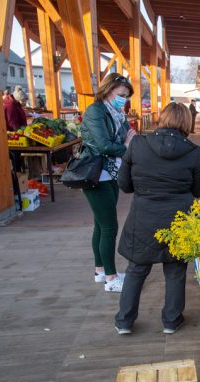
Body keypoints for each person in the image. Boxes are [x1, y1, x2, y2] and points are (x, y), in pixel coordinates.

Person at [114, 103, 200, 335]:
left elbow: (124, 184)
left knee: (136, 269)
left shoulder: (137, 144)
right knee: (175, 271)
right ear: (187, 122)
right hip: (178, 219)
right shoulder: (192, 150)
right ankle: (171, 321)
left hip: (143, 217)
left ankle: (124, 321)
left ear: (162, 119)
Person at [80, 73, 137, 292]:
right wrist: (126, 146)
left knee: (100, 224)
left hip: (111, 172)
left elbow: (128, 135)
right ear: (108, 90)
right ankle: (111, 280)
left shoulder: (117, 114)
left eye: (126, 96)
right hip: (97, 174)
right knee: (109, 226)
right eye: (121, 94)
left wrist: (126, 143)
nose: (124, 99)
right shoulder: (95, 111)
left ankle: (101, 271)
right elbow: (104, 145)